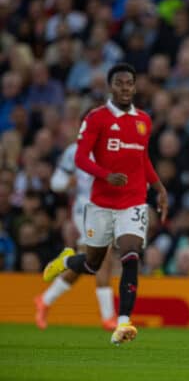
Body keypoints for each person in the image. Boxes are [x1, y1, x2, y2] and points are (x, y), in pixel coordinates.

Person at [42, 63, 168, 345]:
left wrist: (158, 187)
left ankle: (123, 324)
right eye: (119, 83)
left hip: (133, 201)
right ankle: (65, 261)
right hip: (100, 203)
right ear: (111, 87)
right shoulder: (96, 118)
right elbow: (80, 158)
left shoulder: (144, 120)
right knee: (91, 264)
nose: (125, 88)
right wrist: (105, 175)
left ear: (135, 87)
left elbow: (143, 159)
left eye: (129, 83)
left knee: (131, 254)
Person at [34, 132, 117, 331]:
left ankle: (45, 299)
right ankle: (108, 318)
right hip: (85, 211)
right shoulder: (74, 152)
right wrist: (67, 183)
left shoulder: (115, 149)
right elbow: (56, 182)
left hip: (107, 211)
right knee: (103, 259)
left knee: (88, 263)